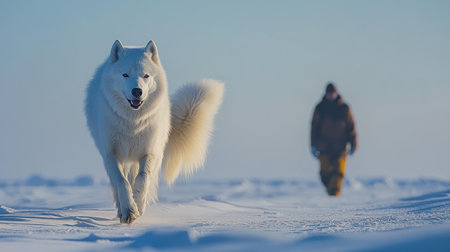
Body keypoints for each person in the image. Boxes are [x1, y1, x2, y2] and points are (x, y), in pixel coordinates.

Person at [310, 82, 357, 196]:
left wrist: (353, 144)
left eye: (332, 93)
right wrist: (313, 144)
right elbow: (314, 127)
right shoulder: (320, 108)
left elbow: (351, 128)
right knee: (324, 174)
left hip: (340, 147)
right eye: (329, 93)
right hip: (324, 146)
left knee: (338, 173)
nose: (331, 95)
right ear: (325, 94)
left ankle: (334, 197)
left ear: (336, 93)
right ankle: (330, 194)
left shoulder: (344, 109)